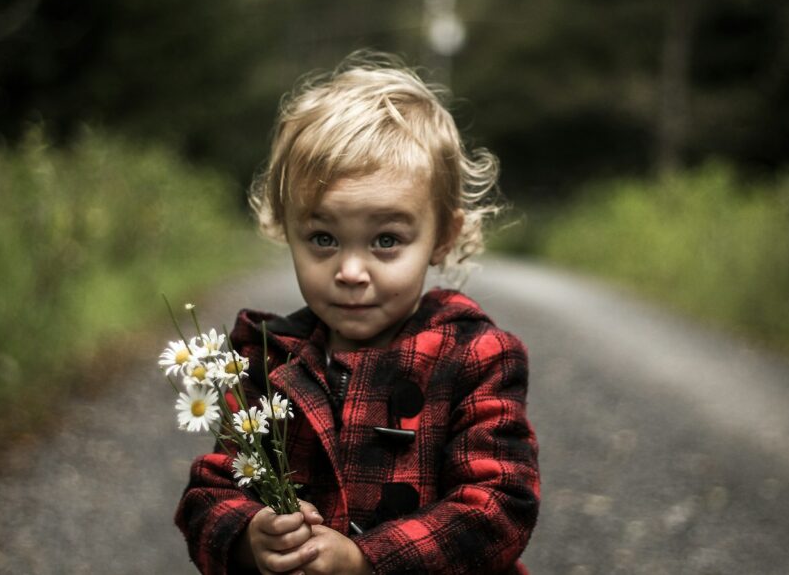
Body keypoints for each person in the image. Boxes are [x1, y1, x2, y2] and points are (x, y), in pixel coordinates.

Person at [175, 51, 540, 575]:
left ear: (443, 237)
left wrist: (367, 561)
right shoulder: (265, 358)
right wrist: (250, 535)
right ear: (285, 228)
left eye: (386, 240)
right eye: (323, 238)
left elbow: (500, 507)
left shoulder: (475, 357)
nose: (350, 271)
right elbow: (210, 492)